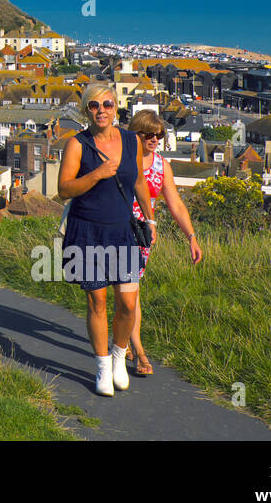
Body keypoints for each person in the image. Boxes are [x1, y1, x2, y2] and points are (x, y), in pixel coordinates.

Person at [58, 82, 156, 397]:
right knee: (97, 301)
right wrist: (97, 174)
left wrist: (150, 217)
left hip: (122, 231)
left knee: (127, 303)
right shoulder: (77, 144)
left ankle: (118, 355)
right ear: (86, 110)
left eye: (108, 105)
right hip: (87, 230)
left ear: (116, 109)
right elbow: (64, 190)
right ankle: (102, 366)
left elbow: (139, 181)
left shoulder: (131, 141)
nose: (102, 111)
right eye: (94, 106)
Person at [125, 110, 203, 376]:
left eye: (159, 135)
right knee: (121, 293)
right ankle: (135, 349)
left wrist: (191, 237)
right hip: (112, 230)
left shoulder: (162, 166)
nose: (154, 139)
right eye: (148, 133)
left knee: (130, 293)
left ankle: (133, 346)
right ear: (135, 133)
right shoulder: (122, 161)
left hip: (141, 236)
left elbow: (176, 205)